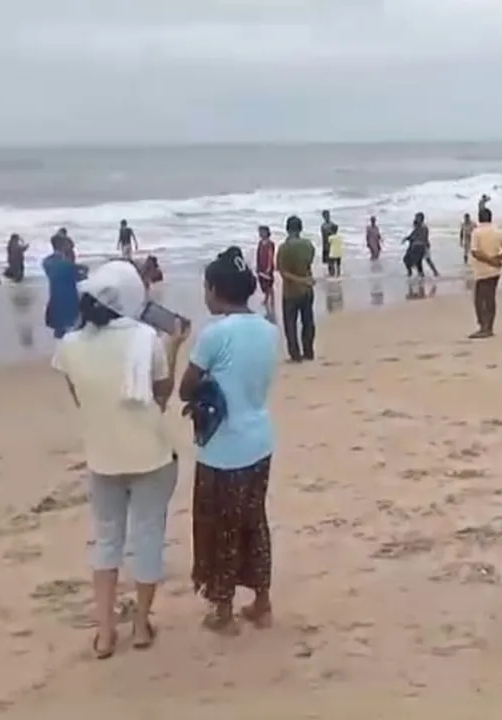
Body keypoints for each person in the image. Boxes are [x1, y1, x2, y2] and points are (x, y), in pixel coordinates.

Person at [52, 260, 186, 658]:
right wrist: (174, 347)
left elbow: (81, 398)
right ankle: (142, 624)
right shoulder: (147, 340)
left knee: (107, 541)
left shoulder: (69, 345)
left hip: (102, 455)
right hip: (151, 454)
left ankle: (106, 632)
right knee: (147, 539)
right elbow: (161, 398)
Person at [177, 247, 279, 634]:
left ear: (217, 290)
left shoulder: (214, 335)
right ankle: (262, 602)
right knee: (254, 521)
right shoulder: (269, 329)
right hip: (259, 439)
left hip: (223, 449)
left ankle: (222, 610)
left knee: (220, 527)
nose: (205, 295)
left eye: (206, 288)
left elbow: (186, 389)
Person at [276, 215, 316, 362]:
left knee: (290, 324)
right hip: (307, 289)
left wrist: (298, 280)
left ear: (287, 229)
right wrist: (304, 280)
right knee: (308, 322)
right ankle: (308, 352)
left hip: (291, 292)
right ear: (301, 228)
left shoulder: (283, 248)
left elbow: (282, 272)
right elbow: (309, 262)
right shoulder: (308, 245)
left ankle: (295, 355)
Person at [468, 206, 502, 339]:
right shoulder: (498, 231)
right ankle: (489, 326)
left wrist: (490, 260)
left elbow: (475, 252)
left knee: (479, 300)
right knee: (490, 298)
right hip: (495, 270)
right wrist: (498, 259)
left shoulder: (477, 232)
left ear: (479, 218)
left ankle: (483, 327)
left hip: (481, 270)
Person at [44, 232, 86, 340]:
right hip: (69, 299)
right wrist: (83, 271)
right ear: (62, 245)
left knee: (59, 330)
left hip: (55, 297)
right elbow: (79, 277)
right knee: (73, 329)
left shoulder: (47, 262)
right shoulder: (66, 264)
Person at [254, 225, 276, 310]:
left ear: (267, 233)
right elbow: (258, 254)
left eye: (262, 232)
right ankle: (266, 298)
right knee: (262, 284)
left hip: (267, 266)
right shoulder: (260, 243)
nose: (261, 233)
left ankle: (271, 300)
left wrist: (269, 267)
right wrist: (257, 265)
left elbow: (271, 256)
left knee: (269, 285)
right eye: (260, 232)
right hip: (261, 266)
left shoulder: (270, 244)